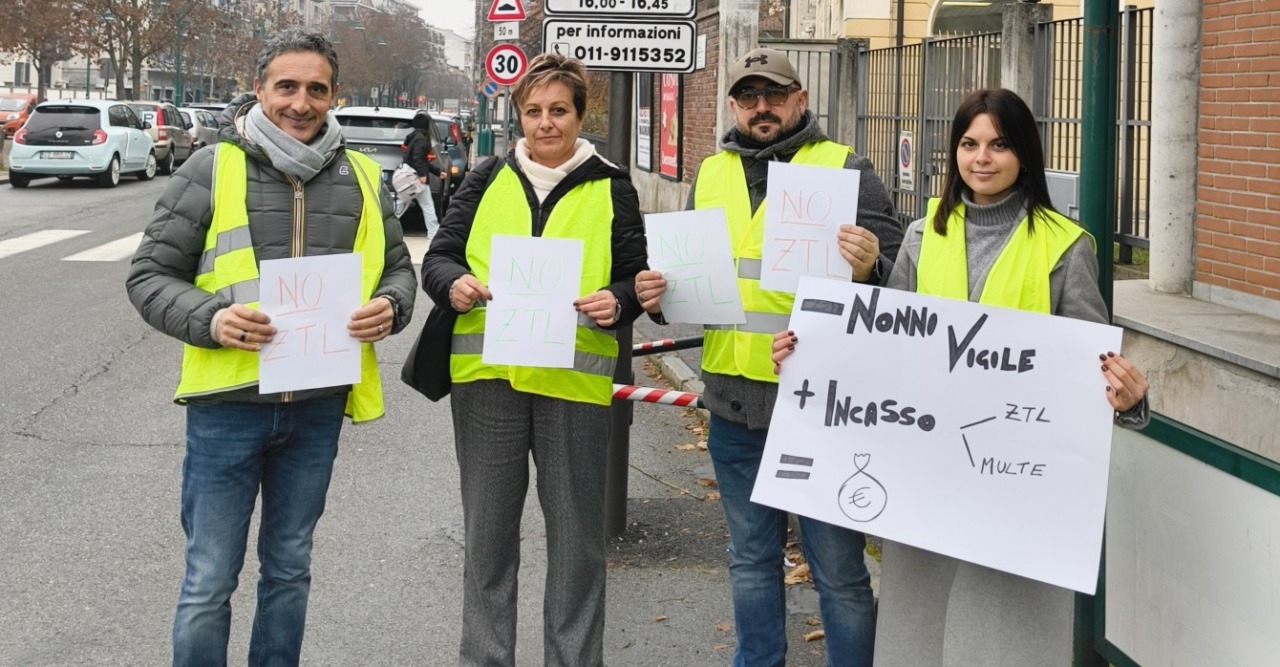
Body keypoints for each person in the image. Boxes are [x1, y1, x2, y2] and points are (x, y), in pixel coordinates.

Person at [771, 87, 1150, 666]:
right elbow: (880, 345)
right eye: (969, 144)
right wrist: (811, 358)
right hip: (925, 489)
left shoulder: (1066, 248)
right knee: (916, 642)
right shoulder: (924, 236)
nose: (982, 158)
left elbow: (1093, 375)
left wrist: (1129, 400)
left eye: (999, 144)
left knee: (1001, 645)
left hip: (1015, 495)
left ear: (1024, 152)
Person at [125, 30, 417, 667]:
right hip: (228, 405)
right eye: (286, 86)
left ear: (334, 94)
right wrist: (212, 319)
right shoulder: (213, 165)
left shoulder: (364, 176)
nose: (300, 102)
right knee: (209, 580)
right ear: (260, 90)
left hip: (316, 407)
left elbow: (399, 270)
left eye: (316, 88)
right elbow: (147, 275)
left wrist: (391, 308)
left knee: (289, 569)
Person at [633, 47, 903, 667]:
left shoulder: (846, 169)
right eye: (749, 97)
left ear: (800, 100)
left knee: (837, 569)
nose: (762, 107)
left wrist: (870, 268)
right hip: (732, 400)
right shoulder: (711, 173)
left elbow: (902, 286)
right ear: (732, 105)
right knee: (751, 559)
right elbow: (690, 280)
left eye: (775, 95)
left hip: (821, 406)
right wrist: (657, 294)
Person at [419, 52, 646, 667]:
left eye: (559, 111)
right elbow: (438, 259)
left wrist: (618, 301)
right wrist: (454, 284)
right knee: (487, 542)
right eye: (534, 111)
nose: (546, 123)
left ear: (579, 115)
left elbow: (635, 279)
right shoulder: (486, 176)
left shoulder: (612, 185)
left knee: (577, 546)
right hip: (488, 380)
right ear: (519, 115)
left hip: (573, 384)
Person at [399, 110, 444, 236]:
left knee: (401, 204)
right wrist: (423, 175)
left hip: (409, 176)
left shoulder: (414, 137)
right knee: (427, 206)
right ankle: (433, 233)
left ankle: (384, 226)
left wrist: (437, 172)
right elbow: (419, 158)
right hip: (416, 178)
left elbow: (421, 159)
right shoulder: (421, 139)